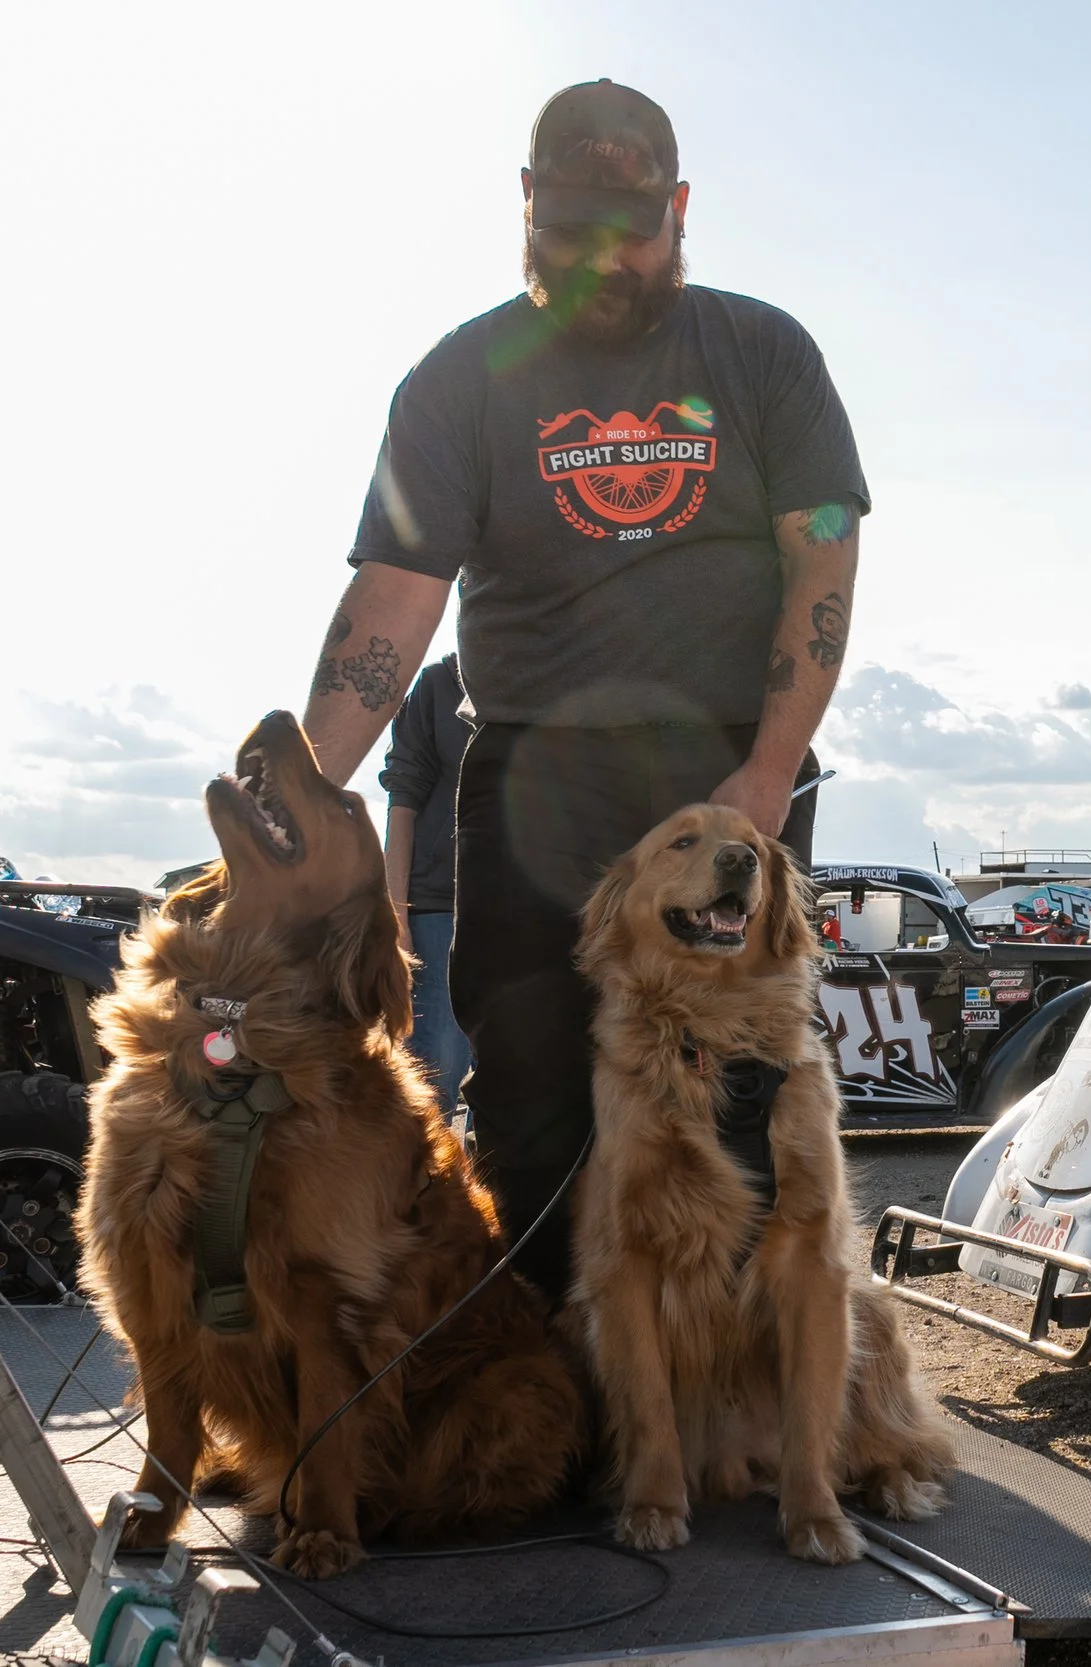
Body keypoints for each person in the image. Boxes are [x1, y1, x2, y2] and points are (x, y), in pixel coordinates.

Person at [299, 80, 867, 1298]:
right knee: (532, 1087)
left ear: (680, 208)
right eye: (571, 229)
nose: (604, 255)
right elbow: (395, 601)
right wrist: (302, 790)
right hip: (526, 783)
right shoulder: (457, 381)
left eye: (633, 226)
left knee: (733, 1088)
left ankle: (727, 1411)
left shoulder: (761, 350)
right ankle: (560, 1398)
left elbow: (821, 561)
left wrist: (766, 775)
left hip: (723, 773)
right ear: (523, 207)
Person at [380, 651, 473, 1115]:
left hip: (531, 913)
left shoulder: (555, 682)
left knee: (525, 1095)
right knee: (429, 1087)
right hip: (438, 915)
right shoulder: (439, 682)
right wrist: (394, 910)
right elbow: (404, 791)